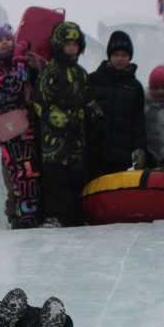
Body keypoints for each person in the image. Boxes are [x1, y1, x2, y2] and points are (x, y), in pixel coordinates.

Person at [33, 21, 104, 228]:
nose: (72, 47)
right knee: (56, 178)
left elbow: (88, 99)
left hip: (77, 139)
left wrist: (96, 115)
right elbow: (41, 101)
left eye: (75, 43)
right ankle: (55, 216)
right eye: (67, 43)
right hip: (54, 140)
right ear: (58, 44)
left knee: (77, 175)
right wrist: (58, 119)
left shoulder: (81, 73)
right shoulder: (50, 71)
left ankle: (75, 216)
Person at [0, 24, 44, 229]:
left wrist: (28, 61)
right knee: (17, 171)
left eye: (8, 38)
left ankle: (35, 212)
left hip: (28, 125)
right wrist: (19, 61)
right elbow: (14, 86)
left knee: (32, 168)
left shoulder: (24, 61)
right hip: (11, 128)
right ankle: (21, 214)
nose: (5, 43)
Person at [87, 30, 147, 178]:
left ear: (129, 57)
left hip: (121, 155)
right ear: (110, 56)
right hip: (94, 151)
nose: (120, 59)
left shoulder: (135, 87)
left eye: (124, 55)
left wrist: (139, 147)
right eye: (116, 55)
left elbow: (139, 121)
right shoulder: (93, 80)